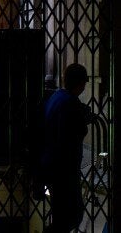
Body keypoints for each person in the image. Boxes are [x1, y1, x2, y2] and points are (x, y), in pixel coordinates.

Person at [42, 63, 90, 233]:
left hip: (53, 168)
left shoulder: (57, 97)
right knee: (71, 215)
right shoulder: (69, 103)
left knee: (63, 215)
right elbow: (75, 132)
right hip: (64, 170)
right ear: (80, 83)